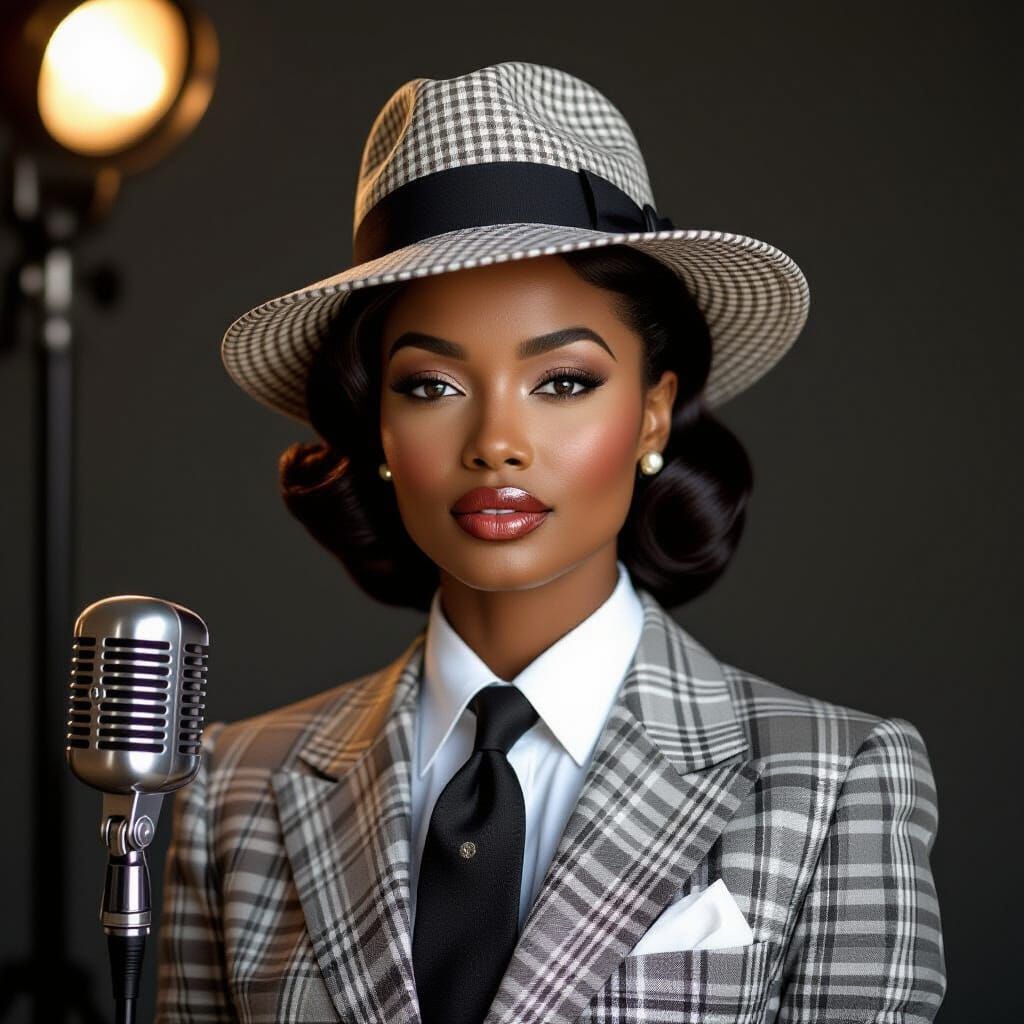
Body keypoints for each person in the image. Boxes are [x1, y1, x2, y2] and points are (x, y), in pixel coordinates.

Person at [155, 61, 946, 1023]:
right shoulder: (230, 787)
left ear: (655, 414)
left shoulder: (832, 782)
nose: (495, 441)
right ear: (378, 435)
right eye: (430, 385)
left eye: (563, 381)